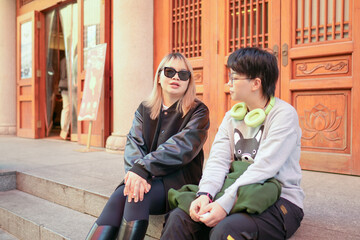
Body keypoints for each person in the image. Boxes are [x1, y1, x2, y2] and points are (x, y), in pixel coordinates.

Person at [161, 47, 305, 240]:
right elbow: (218, 161)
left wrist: (224, 204)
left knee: (227, 231)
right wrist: (205, 195)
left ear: (255, 83)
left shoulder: (283, 115)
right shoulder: (232, 117)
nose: (228, 83)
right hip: (234, 193)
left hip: (279, 200)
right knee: (179, 217)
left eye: (234, 78)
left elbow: (265, 168)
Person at [85, 52, 210, 240]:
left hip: (179, 182)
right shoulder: (145, 108)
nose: (176, 77)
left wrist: (142, 168)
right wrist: (136, 173)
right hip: (148, 177)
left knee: (136, 196)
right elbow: (134, 143)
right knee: (123, 194)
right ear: (159, 77)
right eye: (169, 72)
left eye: (183, 74)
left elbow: (181, 147)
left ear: (188, 81)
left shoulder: (198, 111)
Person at [58, 56, 70, 139]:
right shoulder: (67, 60)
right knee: (67, 108)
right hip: (67, 86)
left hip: (63, 86)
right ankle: (65, 130)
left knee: (66, 108)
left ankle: (64, 130)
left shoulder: (62, 60)